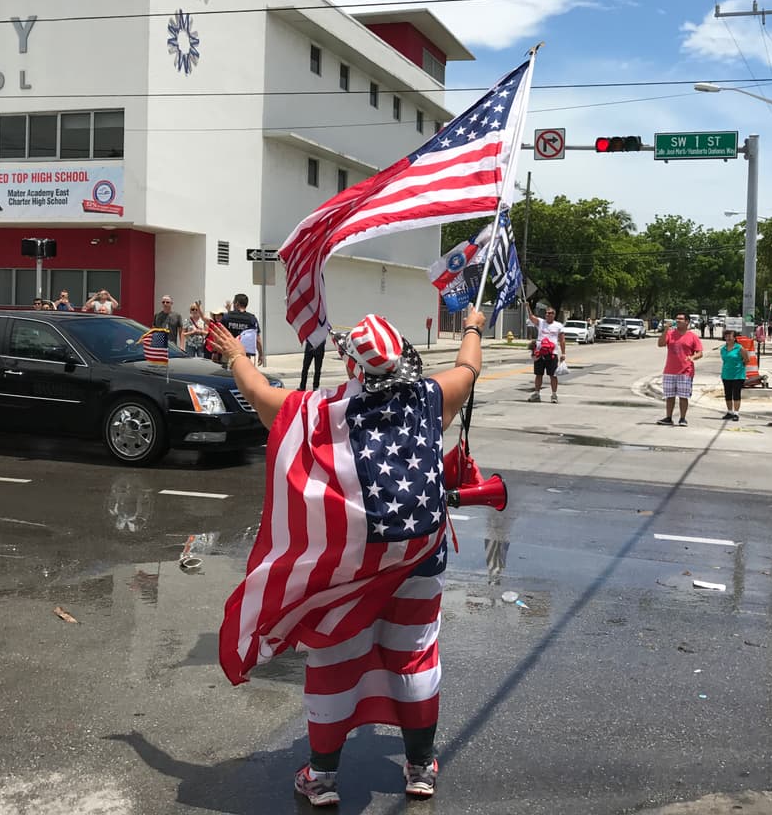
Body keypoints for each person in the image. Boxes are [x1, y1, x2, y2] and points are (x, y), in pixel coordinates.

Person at [214, 308, 485, 806]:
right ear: (405, 360)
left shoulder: (319, 410)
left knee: (335, 655)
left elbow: (257, 394)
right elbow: (469, 367)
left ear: (353, 368)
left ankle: (322, 778)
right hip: (418, 554)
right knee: (416, 652)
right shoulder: (429, 398)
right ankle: (421, 768)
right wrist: (472, 326)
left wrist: (235, 355)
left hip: (347, 564)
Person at [657, 312, 704, 426]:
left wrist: (692, 357)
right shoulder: (670, 333)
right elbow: (661, 344)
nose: (678, 320)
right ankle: (668, 417)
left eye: (681, 319)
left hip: (685, 371)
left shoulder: (692, 336)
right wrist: (666, 330)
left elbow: (700, 352)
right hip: (670, 370)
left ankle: (682, 418)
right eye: (677, 318)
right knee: (669, 396)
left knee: (683, 396)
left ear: (687, 322)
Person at [525, 302, 565, 403]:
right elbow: (531, 317)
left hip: (552, 354)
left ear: (554, 315)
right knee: (538, 374)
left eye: (550, 313)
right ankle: (537, 394)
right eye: (547, 313)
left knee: (553, 375)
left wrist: (563, 353)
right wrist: (528, 307)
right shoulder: (541, 322)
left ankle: (554, 395)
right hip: (540, 353)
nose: (548, 315)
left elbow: (562, 340)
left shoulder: (558, 326)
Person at [220, 293, 263, 365]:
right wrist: (261, 354)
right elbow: (257, 339)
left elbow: (220, 334)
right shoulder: (252, 319)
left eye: (233, 303)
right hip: (244, 355)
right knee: (242, 375)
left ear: (237, 303)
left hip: (229, 353)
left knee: (225, 375)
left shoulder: (226, 317)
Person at [717, 329, 749, 421]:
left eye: (729, 336)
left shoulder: (740, 348)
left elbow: (746, 360)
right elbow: (725, 360)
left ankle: (736, 413)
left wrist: (740, 368)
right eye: (726, 336)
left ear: (734, 338)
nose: (727, 338)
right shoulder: (723, 349)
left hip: (738, 375)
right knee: (728, 394)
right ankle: (729, 412)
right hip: (726, 375)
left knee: (736, 394)